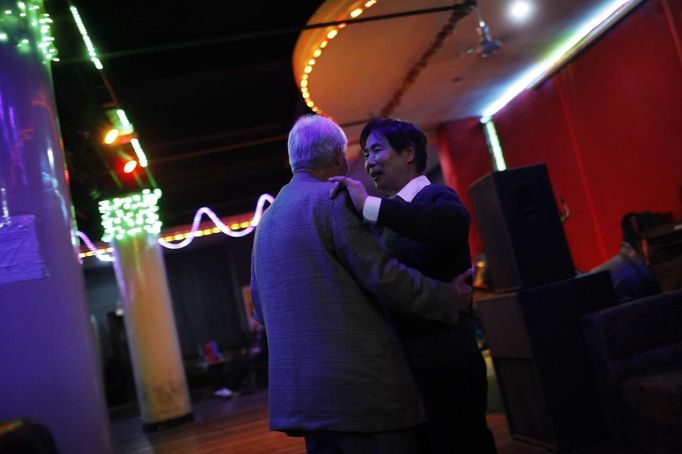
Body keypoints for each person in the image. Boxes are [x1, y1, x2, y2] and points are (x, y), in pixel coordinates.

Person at [250, 114, 473, 454]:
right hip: (362, 394)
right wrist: (448, 298)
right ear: (338, 158)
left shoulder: (264, 224)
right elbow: (386, 277)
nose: (367, 162)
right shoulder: (332, 200)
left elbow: (262, 312)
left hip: (304, 400)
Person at [329, 117, 496, 454]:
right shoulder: (391, 218)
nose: (369, 161)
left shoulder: (435, 197)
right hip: (413, 367)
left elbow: (449, 224)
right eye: (366, 154)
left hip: (449, 361)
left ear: (408, 153)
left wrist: (370, 207)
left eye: (376, 150)